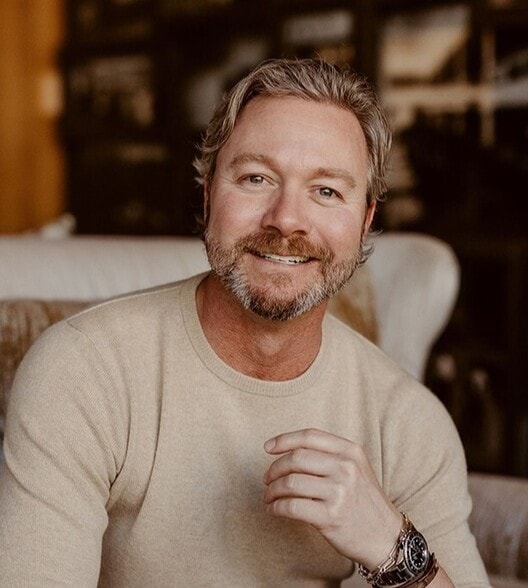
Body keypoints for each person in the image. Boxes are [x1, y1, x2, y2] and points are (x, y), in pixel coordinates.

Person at [0, 59, 490, 587]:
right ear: (209, 193)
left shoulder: (408, 422)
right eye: (257, 178)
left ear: (366, 220)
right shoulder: (82, 372)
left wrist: (392, 546)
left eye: (326, 191)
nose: (286, 219)